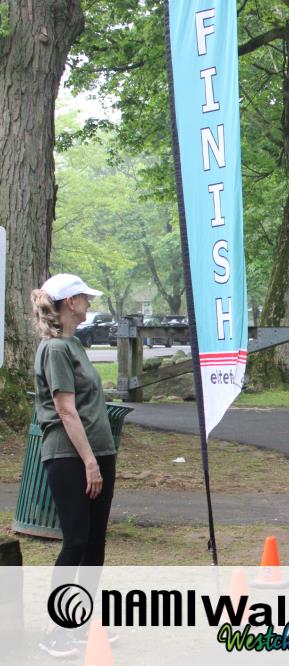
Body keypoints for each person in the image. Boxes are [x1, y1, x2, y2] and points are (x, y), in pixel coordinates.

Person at [31, 274, 117, 658]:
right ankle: (55, 630)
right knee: (77, 541)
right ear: (70, 302)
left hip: (98, 452)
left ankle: (80, 623)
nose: (89, 303)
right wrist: (89, 462)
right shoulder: (54, 350)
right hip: (69, 457)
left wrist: (99, 457)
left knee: (95, 543)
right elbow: (65, 410)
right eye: (84, 297)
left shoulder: (75, 345)